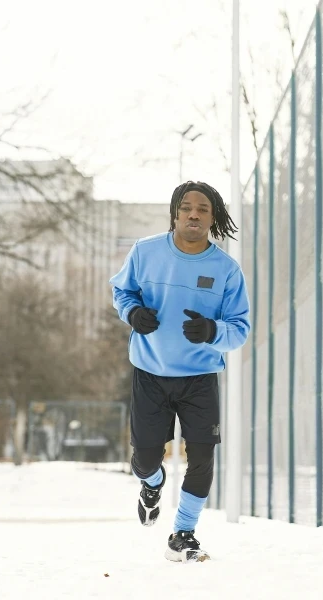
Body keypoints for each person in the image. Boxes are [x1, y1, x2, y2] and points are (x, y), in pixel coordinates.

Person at [109, 180, 250, 563]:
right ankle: (151, 484)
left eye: (203, 209)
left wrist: (211, 331)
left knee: (202, 456)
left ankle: (183, 533)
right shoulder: (145, 251)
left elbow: (240, 328)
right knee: (146, 459)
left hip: (200, 377)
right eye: (186, 207)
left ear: (213, 217)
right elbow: (122, 292)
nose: (193, 214)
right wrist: (133, 313)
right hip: (150, 372)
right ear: (175, 212)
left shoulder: (226, 270)